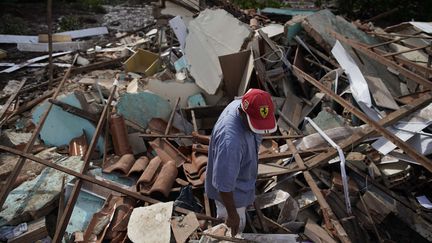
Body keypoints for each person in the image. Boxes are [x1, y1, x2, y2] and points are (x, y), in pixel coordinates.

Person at [205, 88, 277, 236]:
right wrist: (232, 215)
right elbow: (224, 187)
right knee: (232, 231)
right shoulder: (231, 142)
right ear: (243, 112)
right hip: (230, 197)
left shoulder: (244, 103)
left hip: (241, 181)